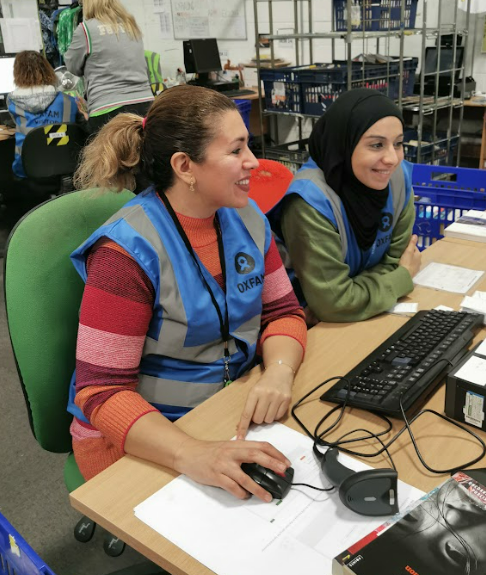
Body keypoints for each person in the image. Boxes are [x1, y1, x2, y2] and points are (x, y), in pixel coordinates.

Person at [69, 85, 307, 502]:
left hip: (221, 410)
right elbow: (101, 392)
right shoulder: (125, 253)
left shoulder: (246, 219)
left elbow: (284, 311)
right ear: (185, 166)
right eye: (236, 151)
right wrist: (192, 452)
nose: (253, 161)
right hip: (141, 436)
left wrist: (278, 372)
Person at [275, 88, 421, 324]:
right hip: (313, 328)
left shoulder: (397, 179)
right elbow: (334, 304)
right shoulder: (309, 202)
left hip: (366, 317)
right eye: (376, 145)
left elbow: (395, 261)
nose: (392, 159)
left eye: (398, 144)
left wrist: (353, 293)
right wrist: (401, 278)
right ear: (344, 143)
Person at [64, 0, 154, 135]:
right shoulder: (130, 24)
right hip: (145, 105)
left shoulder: (86, 30)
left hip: (107, 109)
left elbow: (72, 66)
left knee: (108, 159)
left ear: (88, 2)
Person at [7, 50, 80, 179]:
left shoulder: (12, 102)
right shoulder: (69, 102)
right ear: (47, 70)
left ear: (17, 73)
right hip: (67, 168)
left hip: (27, 168)